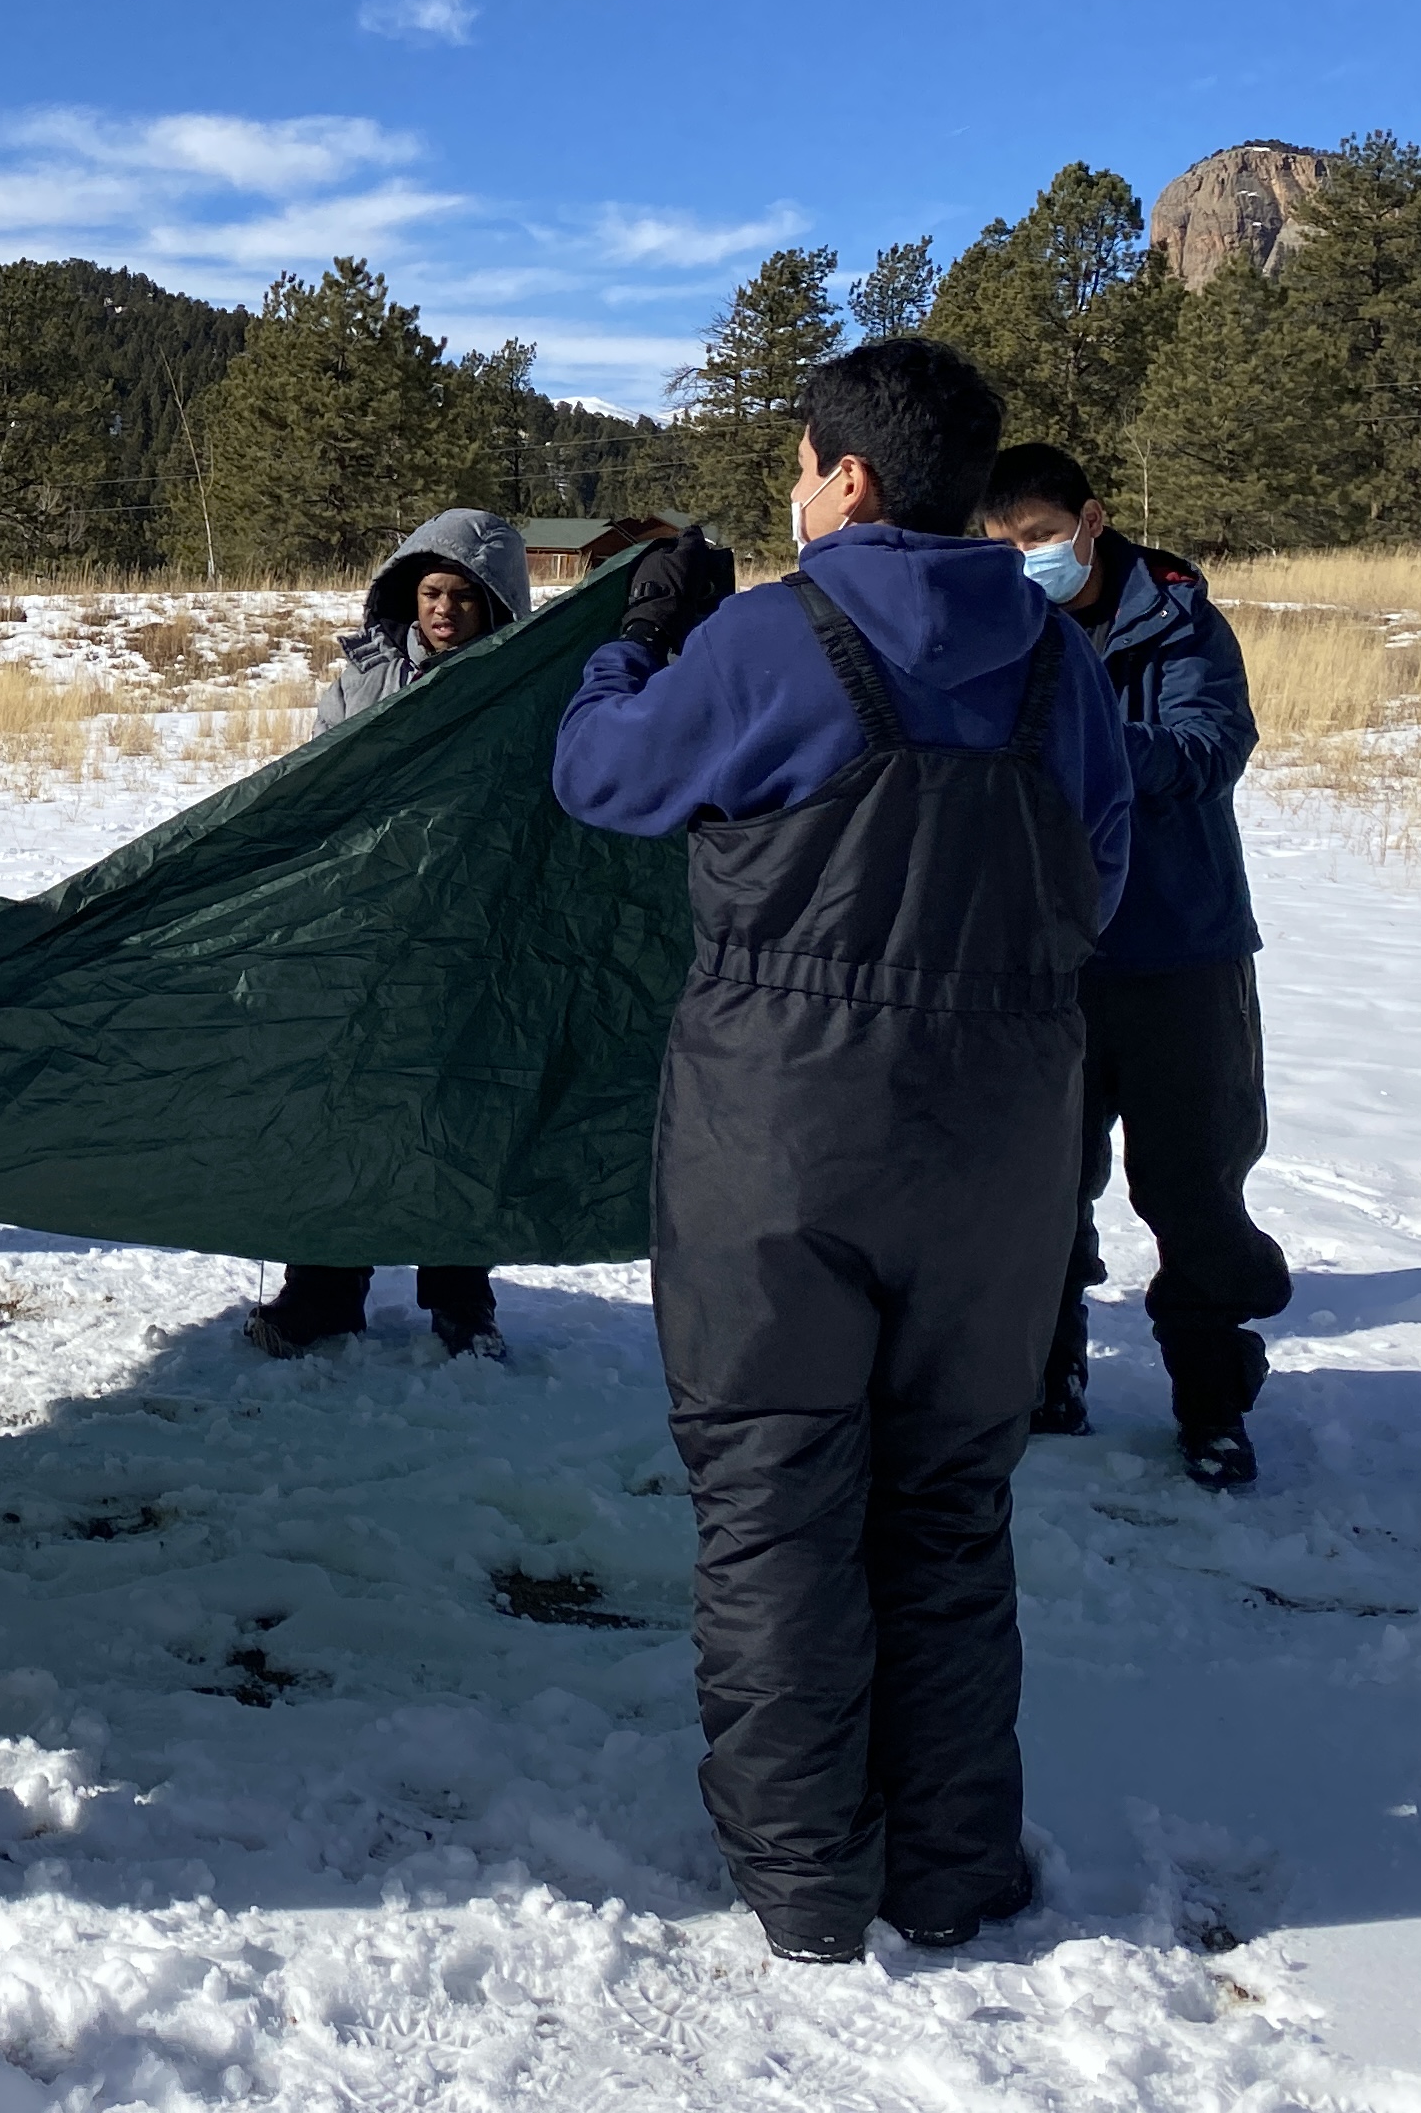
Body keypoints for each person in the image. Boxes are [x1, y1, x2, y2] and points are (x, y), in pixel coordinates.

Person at [551, 341, 1132, 1965]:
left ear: (849, 477)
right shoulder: (1052, 658)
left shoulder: (771, 635)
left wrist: (637, 638)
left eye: (799, 464)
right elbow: (1094, 875)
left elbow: (602, 775)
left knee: (775, 1503)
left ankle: (806, 1880)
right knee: (946, 1502)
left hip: (780, 1144)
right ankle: (950, 1865)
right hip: (1002, 1150)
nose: (792, 490)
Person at [978, 443, 1289, 1490]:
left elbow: (1210, 751)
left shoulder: (1179, 618)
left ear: (1090, 521)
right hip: (1045, 959)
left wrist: (1084, 741)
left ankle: (1211, 1401)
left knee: (1197, 1189)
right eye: (1001, 543)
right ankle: (1046, 1373)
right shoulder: (995, 628)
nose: (1024, 560)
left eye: (1036, 538)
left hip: (1179, 956)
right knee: (1035, 1185)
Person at [251, 508, 535, 1360]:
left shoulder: (525, 689)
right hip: (371, 930)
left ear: (494, 607)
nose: (444, 610)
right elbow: (320, 782)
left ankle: (463, 1305)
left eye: (463, 598)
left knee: (463, 1114)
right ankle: (324, 1297)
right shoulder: (363, 681)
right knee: (348, 1105)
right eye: (431, 592)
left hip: (478, 935)